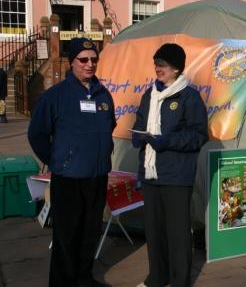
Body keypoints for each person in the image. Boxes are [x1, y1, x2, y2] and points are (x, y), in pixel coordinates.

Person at [28, 37, 116, 287]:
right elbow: (37, 134)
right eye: (83, 59)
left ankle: (83, 278)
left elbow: (108, 127)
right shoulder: (55, 96)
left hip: (97, 177)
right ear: (72, 62)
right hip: (68, 179)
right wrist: (58, 160)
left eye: (94, 60)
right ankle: (63, 282)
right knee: (67, 236)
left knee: (90, 233)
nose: (89, 64)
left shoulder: (103, 95)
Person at [131, 43, 208, 287]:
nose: (157, 68)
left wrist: (168, 141)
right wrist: (138, 135)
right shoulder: (149, 95)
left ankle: (179, 281)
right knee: (153, 231)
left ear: (176, 67)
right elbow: (141, 121)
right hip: (151, 173)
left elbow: (198, 135)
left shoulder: (190, 97)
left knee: (177, 233)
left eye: (162, 64)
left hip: (177, 174)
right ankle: (157, 277)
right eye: (156, 63)